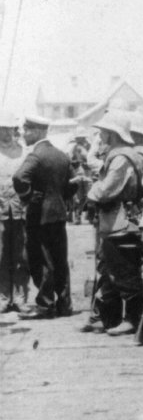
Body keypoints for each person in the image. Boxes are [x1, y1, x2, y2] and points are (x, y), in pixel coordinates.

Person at [85, 111, 143, 336]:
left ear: (113, 134)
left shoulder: (121, 158)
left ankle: (133, 319)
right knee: (111, 271)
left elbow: (105, 191)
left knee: (124, 271)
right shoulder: (120, 155)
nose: (100, 136)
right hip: (114, 221)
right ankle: (109, 319)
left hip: (121, 222)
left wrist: (92, 189)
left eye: (103, 132)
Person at [13, 114, 74, 318]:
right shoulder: (61, 155)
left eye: (27, 131)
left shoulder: (36, 155)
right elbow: (73, 183)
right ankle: (65, 304)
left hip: (39, 216)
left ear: (39, 131)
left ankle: (46, 305)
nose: (24, 135)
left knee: (41, 260)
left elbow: (19, 177)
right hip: (59, 214)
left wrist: (28, 197)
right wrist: (61, 197)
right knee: (60, 260)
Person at [0, 113, 30, 313]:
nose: (5, 133)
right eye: (2, 129)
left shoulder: (24, 152)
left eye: (9, 128)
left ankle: (19, 297)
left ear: (15, 130)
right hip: (0, 211)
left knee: (21, 255)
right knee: (2, 255)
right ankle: (3, 297)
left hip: (20, 211)